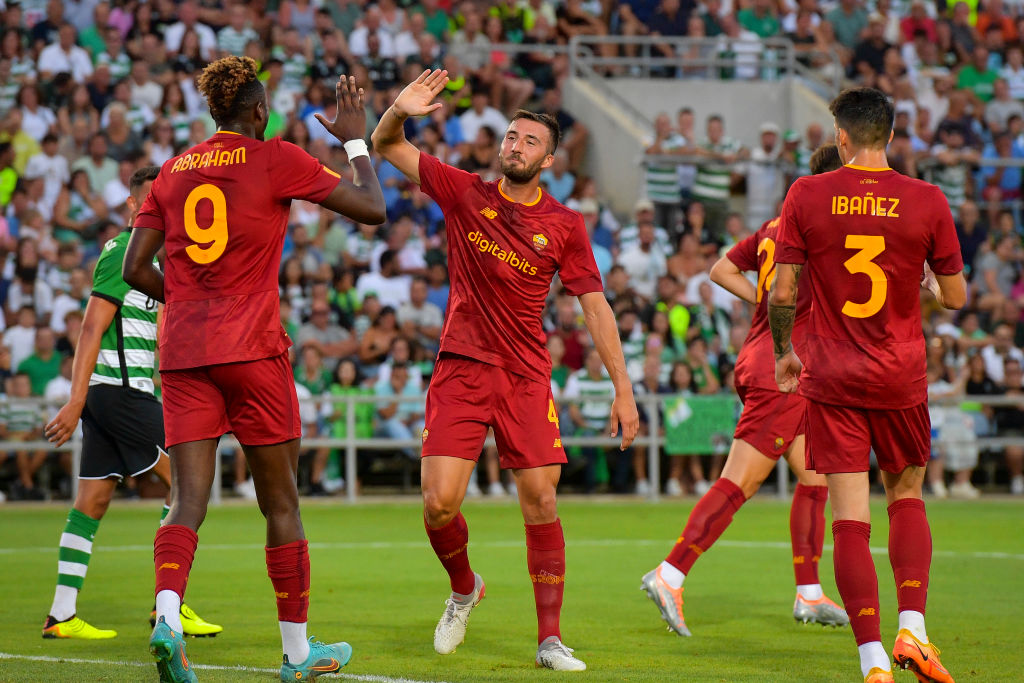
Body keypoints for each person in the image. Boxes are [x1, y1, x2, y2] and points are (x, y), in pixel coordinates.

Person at [121, 57, 385, 682]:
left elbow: (134, 269)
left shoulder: (171, 171)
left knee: (187, 499)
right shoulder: (275, 158)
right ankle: (296, 654)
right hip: (254, 348)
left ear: (215, 112)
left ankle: (167, 616)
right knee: (281, 504)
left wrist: (186, 302)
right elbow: (372, 208)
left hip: (184, 352)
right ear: (260, 113)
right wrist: (354, 139)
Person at [370, 69, 639, 672]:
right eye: (511, 137)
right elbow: (387, 145)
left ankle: (549, 641)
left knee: (541, 500)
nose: (516, 146)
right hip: (462, 368)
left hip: (524, 375)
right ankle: (465, 588)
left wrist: (623, 388)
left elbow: (594, 307)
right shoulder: (465, 192)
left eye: (530, 142)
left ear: (548, 159)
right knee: (439, 504)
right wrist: (397, 110)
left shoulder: (566, 226)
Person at [768, 87, 965, 683]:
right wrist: (925, 287)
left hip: (831, 376)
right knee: (906, 495)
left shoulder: (807, 192)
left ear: (841, 137)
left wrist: (784, 352)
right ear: (893, 136)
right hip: (899, 375)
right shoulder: (927, 199)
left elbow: (783, 292)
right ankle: (914, 630)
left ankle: (872, 660)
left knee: (849, 518)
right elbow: (955, 297)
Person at [641, 144, 851, 637]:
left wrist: (763, 300)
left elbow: (720, 270)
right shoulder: (826, 231)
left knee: (815, 476)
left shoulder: (777, 226)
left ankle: (809, 593)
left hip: (770, 359)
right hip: (783, 368)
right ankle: (670, 573)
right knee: (741, 482)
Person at [42, 166, 222, 641]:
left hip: (118, 395)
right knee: (186, 488)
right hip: (119, 394)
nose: (153, 209)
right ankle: (170, 605)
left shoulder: (155, 266)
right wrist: (75, 399)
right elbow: (90, 326)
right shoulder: (122, 251)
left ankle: (61, 614)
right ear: (130, 205)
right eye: (146, 200)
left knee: (94, 500)